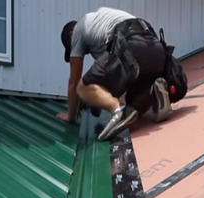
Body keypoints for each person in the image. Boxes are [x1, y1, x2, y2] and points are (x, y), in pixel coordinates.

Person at [57, 7, 172, 140]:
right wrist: (96, 101)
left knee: (82, 88)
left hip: (131, 47)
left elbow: (74, 82)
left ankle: (119, 112)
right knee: (131, 109)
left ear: (71, 34)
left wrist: (70, 116)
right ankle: (152, 93)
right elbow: (113, 80)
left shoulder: (78, 30)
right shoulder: (101, 20)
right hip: (155, 49)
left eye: (71, 48)